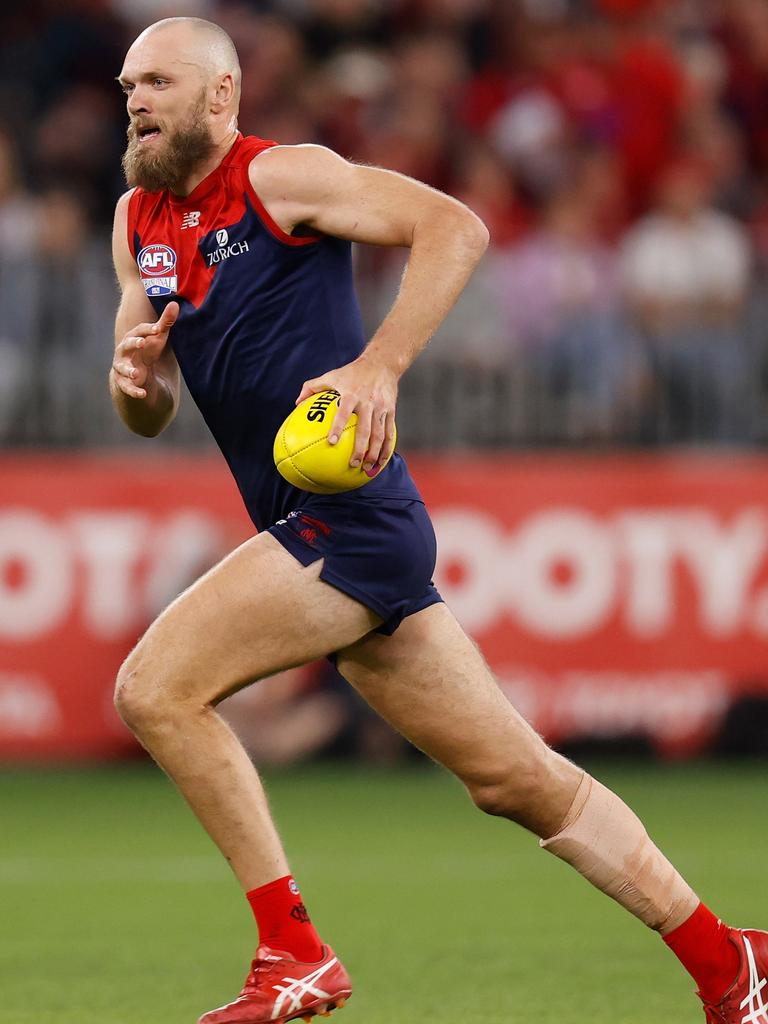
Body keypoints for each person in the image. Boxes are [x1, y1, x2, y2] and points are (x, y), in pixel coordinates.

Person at [109, 18, 767, 1024]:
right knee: (517, 779)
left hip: (350, 518)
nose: (137, 100)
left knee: (155, 687)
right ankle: (730, 964)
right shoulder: (136, 223)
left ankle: (292, 950)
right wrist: (136, 381)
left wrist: (380, 366)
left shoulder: (282, 177)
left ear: (222, 94)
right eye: (126, 86)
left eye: (158, 81)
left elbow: (456, 225)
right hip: (321, 526)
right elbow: (144, 412)